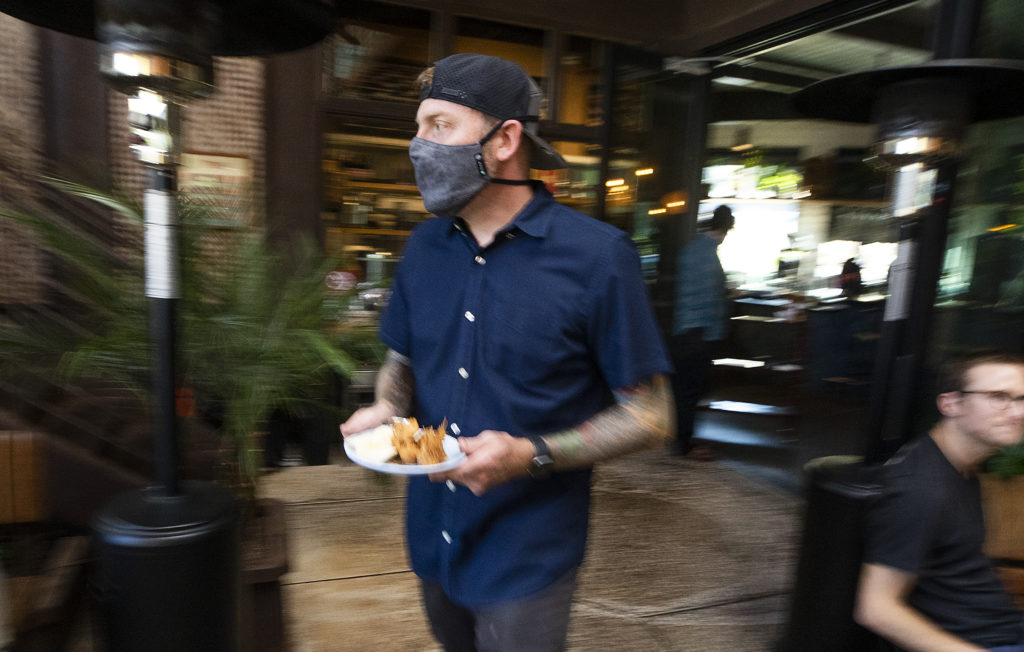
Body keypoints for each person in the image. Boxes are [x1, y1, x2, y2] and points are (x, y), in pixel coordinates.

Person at [339, 53, 673, 652]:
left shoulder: (599, 258)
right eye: (418, 128)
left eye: (439, 126)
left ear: (505, 140)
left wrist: (530, 454)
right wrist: (388, 409)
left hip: (527, 553)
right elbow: (404, 361)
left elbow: (651, 417)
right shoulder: (423, 248)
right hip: (432, 536)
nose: (418, 146)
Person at [855, 350, 1024, 652]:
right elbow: (876, 609)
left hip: (1002, 625)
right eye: (999, 396)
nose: (1018, 412)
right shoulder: (921, 489)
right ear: (951, 404)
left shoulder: (959, 464)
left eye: (1022, 399)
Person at [669, 204, 734, 460]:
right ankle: (684, 445)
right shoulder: (710, 258)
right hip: (699, 333)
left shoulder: (689, 251)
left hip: (681, 330)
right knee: (691, 391)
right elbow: (710, 302)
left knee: (682, 389)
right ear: (726, 229)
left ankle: (680, 439)